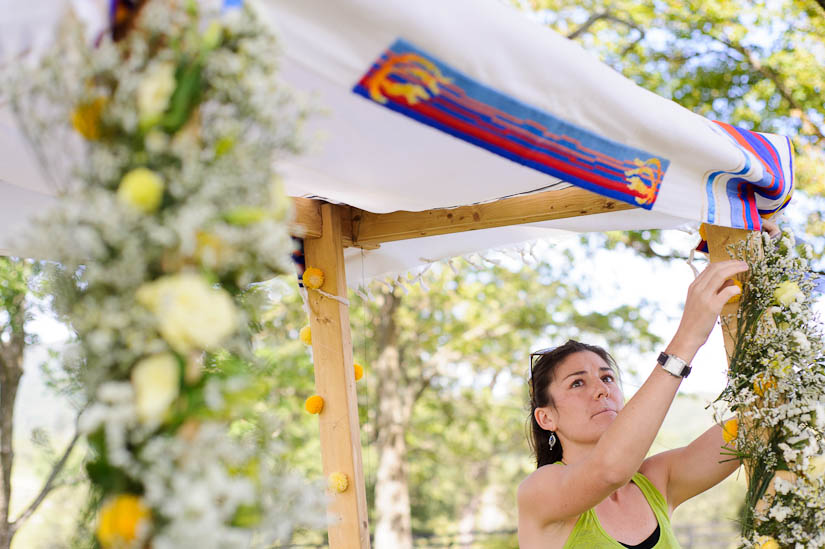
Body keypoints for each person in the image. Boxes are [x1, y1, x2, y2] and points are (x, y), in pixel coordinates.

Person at [517, 259, 749, 549]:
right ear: (546, 418)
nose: (602, 390)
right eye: (578, 382)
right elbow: (609, 470)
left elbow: (751, 429)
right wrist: (688, 338)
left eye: (608, 378)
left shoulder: (657, 479)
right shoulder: (540, 491)